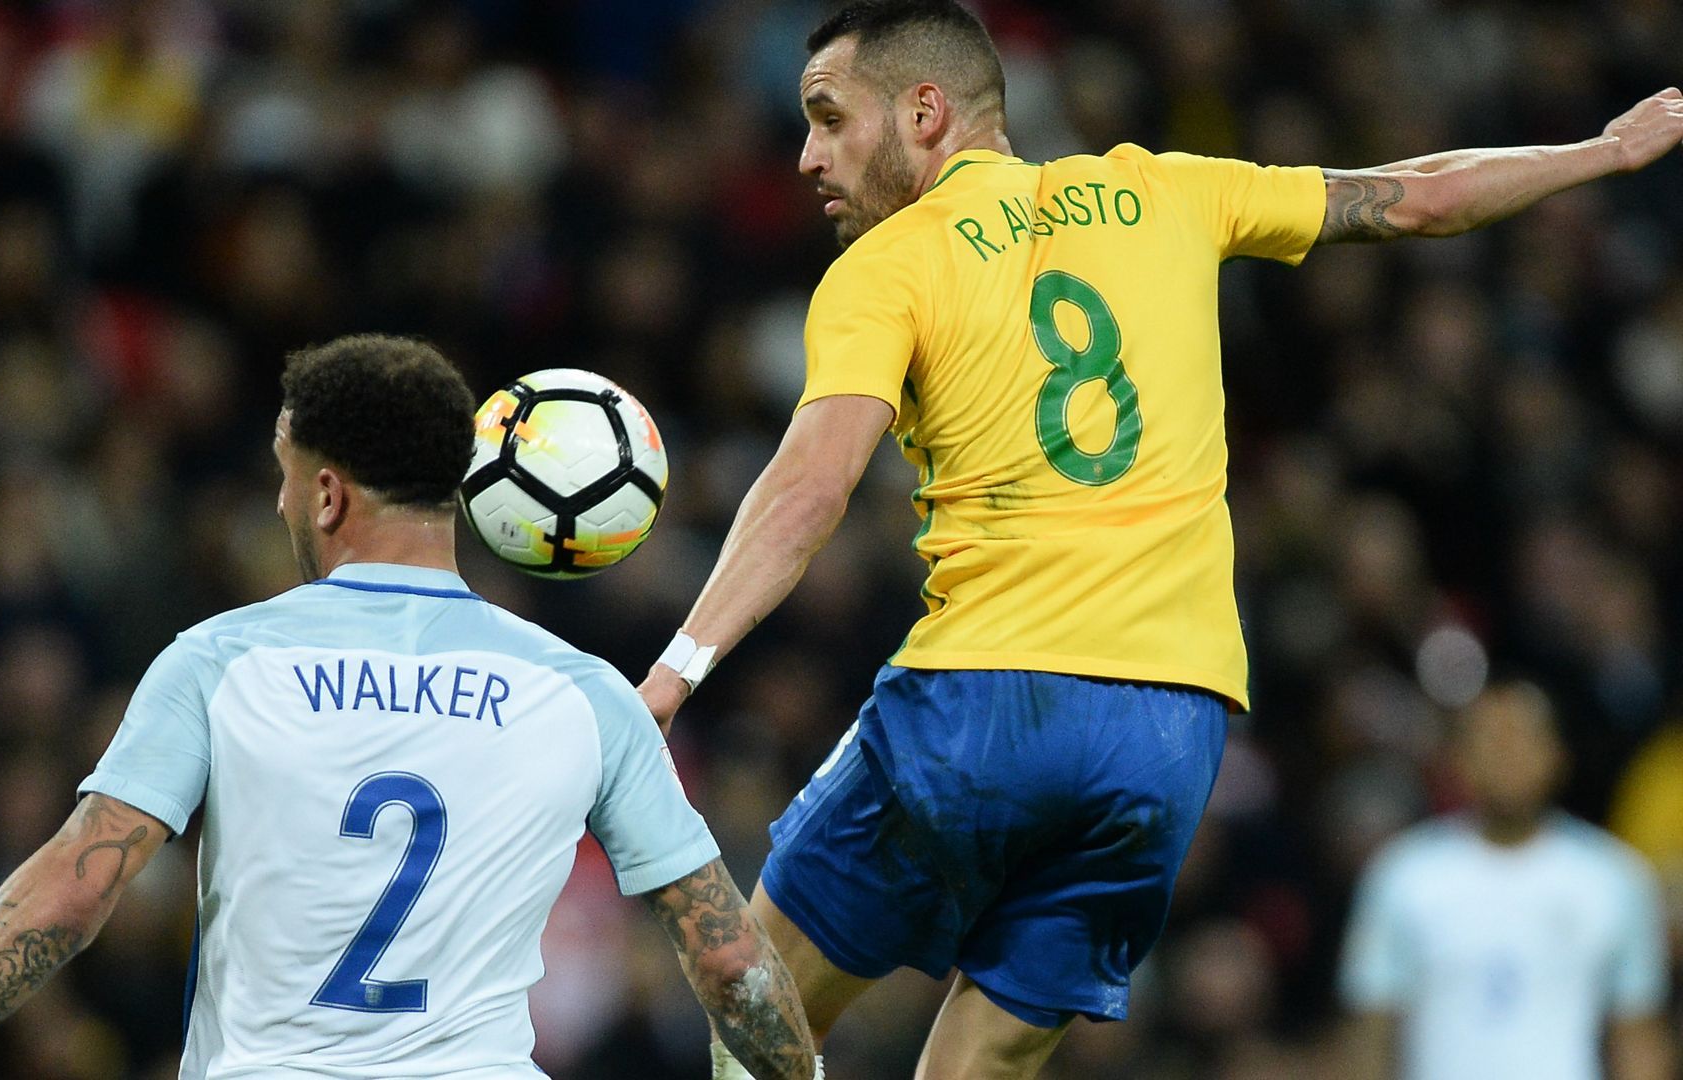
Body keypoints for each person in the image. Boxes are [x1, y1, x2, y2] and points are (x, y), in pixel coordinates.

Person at [632, 1, 1683, 1076]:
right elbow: (1418, 198)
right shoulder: (1164, 189)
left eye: (827, 118)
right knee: (983, 1059)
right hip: (1172, 736)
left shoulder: (888, 266)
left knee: (750, 999)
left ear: (926, 111)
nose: (807, 155)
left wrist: (670, 678)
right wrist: (1600, 153)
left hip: (986, 694)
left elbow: (810, 486)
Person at [0, 335, 820, 1080]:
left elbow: (76, 885)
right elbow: (730, 959)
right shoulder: (584, 693)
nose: (279, 504)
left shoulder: (221, 662)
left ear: (325, 494)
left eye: (283, 475)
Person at [1340, 682, 1675, 1080]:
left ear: (1557, 754)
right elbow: (1371, 1033)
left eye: (1522, 740)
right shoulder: (1404, 874)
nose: (1507, 757)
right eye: (1491, 742)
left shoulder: (1612, 878)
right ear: (1459, 759)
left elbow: (1637, 1036)